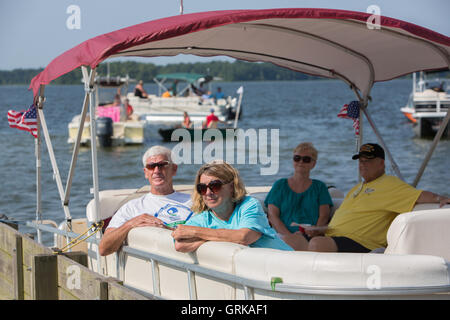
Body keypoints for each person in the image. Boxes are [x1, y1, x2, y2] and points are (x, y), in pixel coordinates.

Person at [308, 143, 450, 253]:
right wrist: (321, 229)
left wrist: (440, 198)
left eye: (368, 160)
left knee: (316, 244)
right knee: (294, 239)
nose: (363, 164)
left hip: (362, 243)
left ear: (381, 163)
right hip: (334, 237)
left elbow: (418, 195)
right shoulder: (356, 188)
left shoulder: (390, 184)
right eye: (360, 160)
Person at [172, 161, 293, 253]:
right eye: (202, 188)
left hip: (286, 266)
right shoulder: (202, 219)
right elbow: (180, 244)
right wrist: (229, 237)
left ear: (231, 187)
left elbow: (244, 237)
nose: (208, 193)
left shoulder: (249, 205)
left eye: (215, 186)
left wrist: (195, 232)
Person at [99, 146, 194, 256]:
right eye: (151, 166)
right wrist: (130, 224)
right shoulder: (131, 208)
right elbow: (104, 248)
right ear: (145, 172)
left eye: (162, 165)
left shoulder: (194, 202)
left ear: (174, 169)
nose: (157, 171)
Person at [264, 142, 333, 250]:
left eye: (306, 159)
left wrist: (314, 232)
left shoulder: (320, 187)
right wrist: (289, 236)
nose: (301, 162)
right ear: (293, 161)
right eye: (297, 158)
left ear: (313, 164)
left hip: (310, 236)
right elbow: (273, 216)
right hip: (283, 235)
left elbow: (324, 216)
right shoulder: (280, 185)